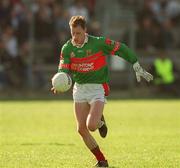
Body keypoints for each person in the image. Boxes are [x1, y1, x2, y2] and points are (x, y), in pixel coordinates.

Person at [51, 15, 153, 167]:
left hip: (97, 88)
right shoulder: (67, 48)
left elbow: (121, 48)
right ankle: (102, 161)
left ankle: (99, 122)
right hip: (79, 89)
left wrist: (135, 64)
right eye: (73, 33)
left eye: (78, 33)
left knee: (91, 125)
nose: (75, 37)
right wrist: (59, 83)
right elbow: (63, 70)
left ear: (85, 30)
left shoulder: (98, 43)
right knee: (81, 129)